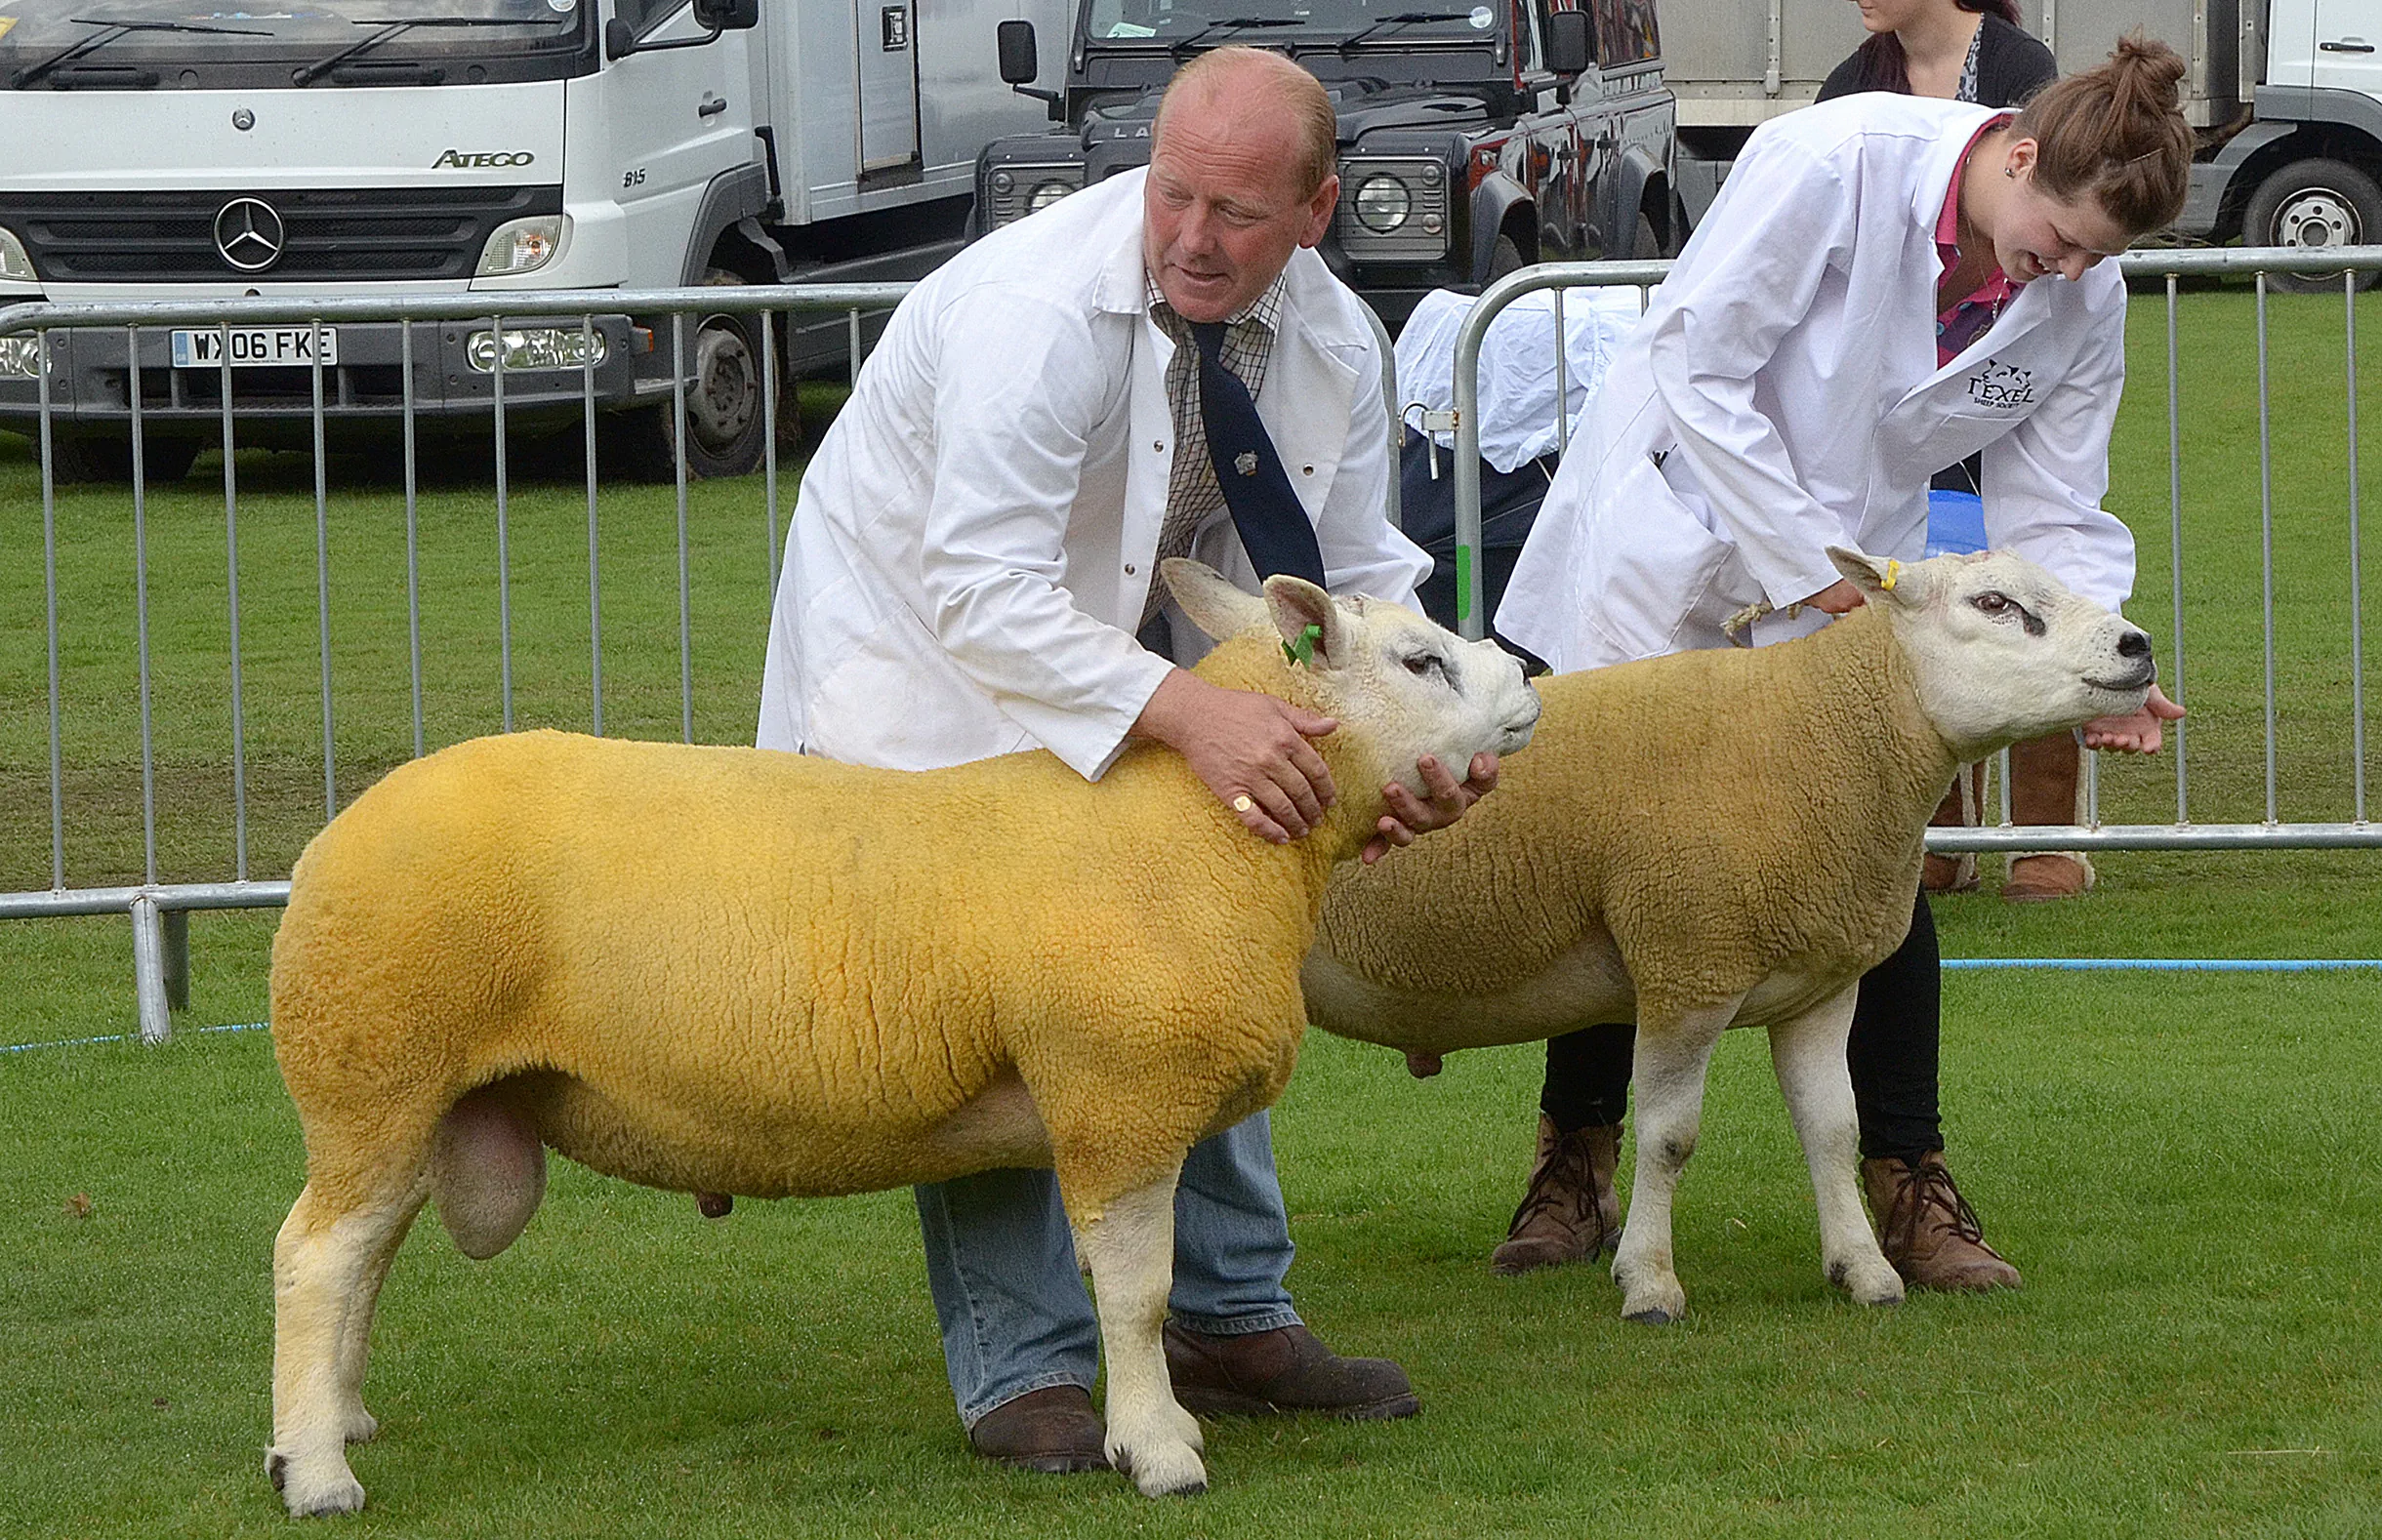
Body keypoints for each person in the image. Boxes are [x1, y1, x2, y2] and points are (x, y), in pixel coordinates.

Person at [757, 47, 1497, 1475]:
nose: (1192, 239)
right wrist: (1195, 713)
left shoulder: (1334, 340)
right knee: (985, 992)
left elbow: (1351, 580)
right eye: (1171, 196)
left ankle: (1227, 1313)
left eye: (1235, 212)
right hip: (923, 655)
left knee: (1198, 949)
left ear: (1318, 208)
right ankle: (1022, 1364)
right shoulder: (1038, 311)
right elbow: (978, 586)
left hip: (1137, 658)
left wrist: (1415, 746)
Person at [1485, 38, 2193, 1294]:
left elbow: (2055, 506)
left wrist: (2105, 668)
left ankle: (1906, 1180)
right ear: (2016, 154)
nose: (2067, 269)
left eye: (2095, 257)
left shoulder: (2085, 296)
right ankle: (1577, 1160)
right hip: (1679, 539)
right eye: (2058, 234)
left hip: (1857, 580)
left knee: (1873, 856)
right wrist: (1805, 569)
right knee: (1621, 847)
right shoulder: (1833, 158)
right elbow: (1695, 363)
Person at [1827, 0, 2091, 902]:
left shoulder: (2021, 66)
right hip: (1888, 408)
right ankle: (1931, 835)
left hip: (1994, 401)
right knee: (1915, 615)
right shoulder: (1854, 79)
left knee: (2027, 588)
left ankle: (2043, 840)